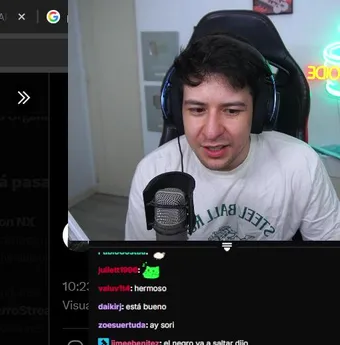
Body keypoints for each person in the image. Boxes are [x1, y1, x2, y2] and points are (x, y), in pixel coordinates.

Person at [125, 34, 340, 241]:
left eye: (232, 111)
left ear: (259, 113)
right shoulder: (153, 173)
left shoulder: (301, 164)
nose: (212, 132)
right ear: (177, 112)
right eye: (197, 110)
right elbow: (144, 261)